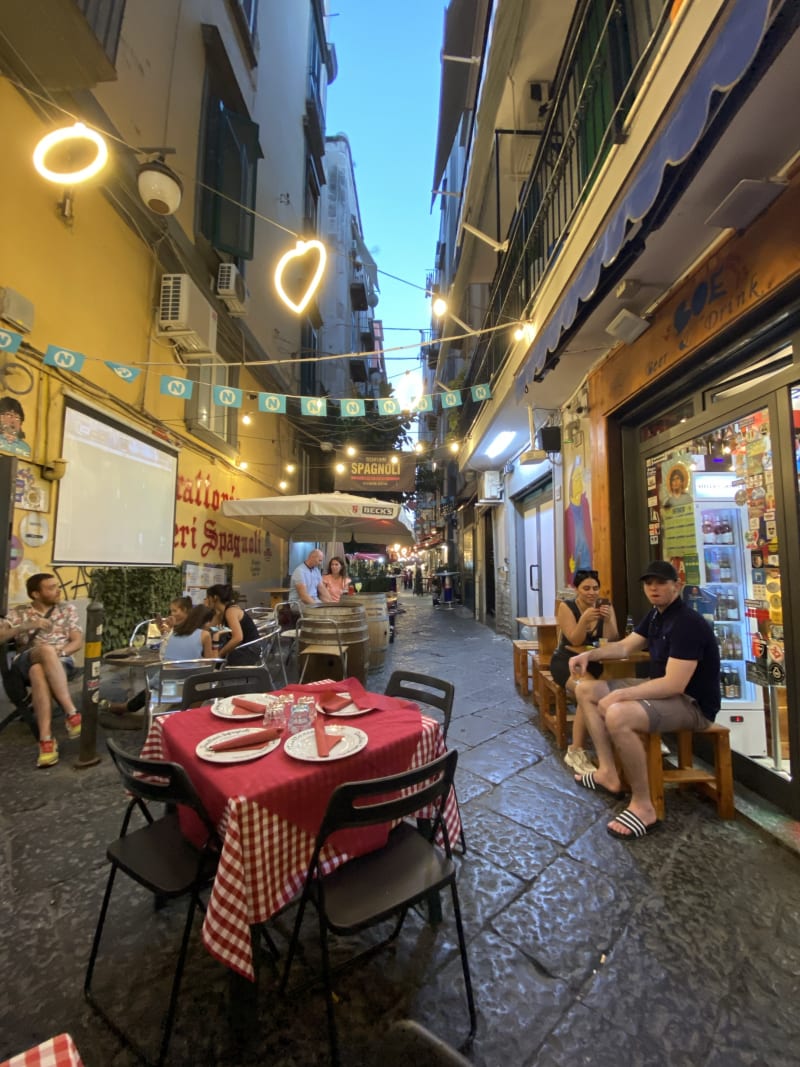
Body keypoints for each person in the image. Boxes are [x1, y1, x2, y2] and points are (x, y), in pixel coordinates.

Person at [568, 560, 720, 841]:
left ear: (677, 586)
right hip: (662, 691)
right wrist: (590, 656)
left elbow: (675, 684)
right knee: (586, 690)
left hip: (691, 704)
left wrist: (622, 694)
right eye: (649, 583)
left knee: (618, 714)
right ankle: (608, 773)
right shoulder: (655, 616)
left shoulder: (687, 623)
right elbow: (626, 645)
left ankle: (643, 806)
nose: (654, 588)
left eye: (661, 582)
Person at [1, 573, 82, 767]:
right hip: (26, 658)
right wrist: (27, 625)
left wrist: (60, 652)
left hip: (60, 662)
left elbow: (77, 641)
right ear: (36, 594)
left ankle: (46, 740)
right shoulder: (19, 612)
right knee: (44, 651)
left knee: (38, 671)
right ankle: (71, 713)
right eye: (51, 587)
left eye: (57, 586)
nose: (58, 590)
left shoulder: (67, 609)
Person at [547, 568, 619, 776]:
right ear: (575, 589)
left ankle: (621, 739)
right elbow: (575, 640)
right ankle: (576, 750)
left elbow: (612, 638)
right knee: (587, 690)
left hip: (597, 662)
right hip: (567, 663)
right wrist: (585, 618)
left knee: (612, 686)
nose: (591, 592)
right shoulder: (566, 607)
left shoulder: (605, 606)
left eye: (595, 588)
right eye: (586, 588)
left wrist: (606, 620)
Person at [100, 601, 214, 721]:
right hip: (187, 689)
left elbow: (165, 656)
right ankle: (190, 716)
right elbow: (209, 664)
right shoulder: (205, 635)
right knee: (204, 681)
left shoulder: (175, 632)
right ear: (206, 621)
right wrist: (215, 641)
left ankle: (125, 707)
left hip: (165, 687)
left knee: (160, 678)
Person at [205, 584, 261, 665]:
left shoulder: (231, 611)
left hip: (250, 650)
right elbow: (209, 630)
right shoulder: (221, 613)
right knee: (209, 652)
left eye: (207, 597)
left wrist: (220, 654)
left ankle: (215, 673)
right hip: (241, 647)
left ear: (215, 598)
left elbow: (238, 638)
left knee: (216, 658)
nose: (206, 600)